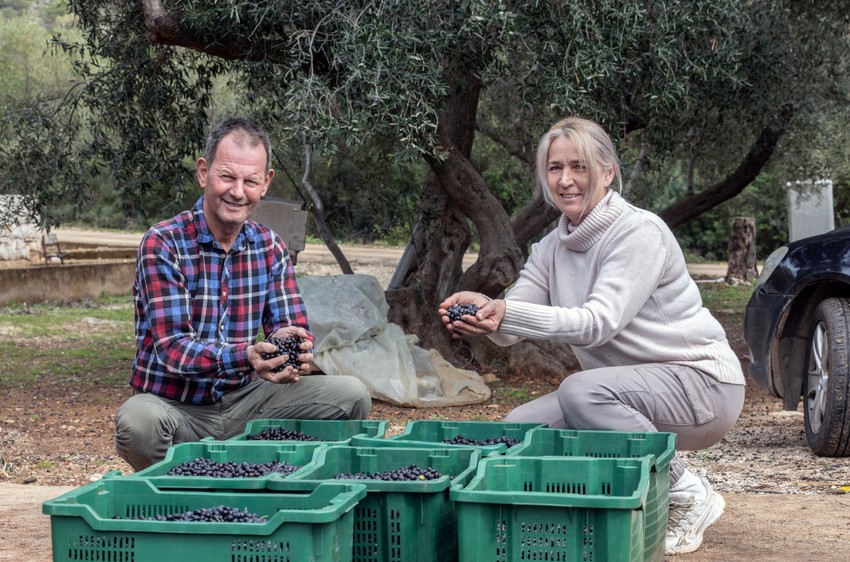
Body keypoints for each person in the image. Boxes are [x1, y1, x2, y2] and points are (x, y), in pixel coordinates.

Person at [439, 116, 745, 556]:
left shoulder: (639, 233)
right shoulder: (551, 247)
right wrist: (488, 315)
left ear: (607, 172)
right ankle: (585, 513)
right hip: (628, 392)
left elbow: (599, 322)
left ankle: (688, 492)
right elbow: (512, 327)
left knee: (581, 392)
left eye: (578, 167)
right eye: (554, 168)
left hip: (703, 388)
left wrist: (509, 312)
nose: (565, 180)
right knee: (518, 430)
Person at [115, 117, 372, 470]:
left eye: (250, 181)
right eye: (227, 177)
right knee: (138, 423)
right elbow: (173, 349)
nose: (238, 192)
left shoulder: (270, 247)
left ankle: (278, 477)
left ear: (265, 183)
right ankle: (181, 491)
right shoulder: (163, 243)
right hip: (176, 409)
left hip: (247, 403)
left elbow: (290, 327)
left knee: (351, 395)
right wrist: (247, 357)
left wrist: (291, 350)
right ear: (203, 173)